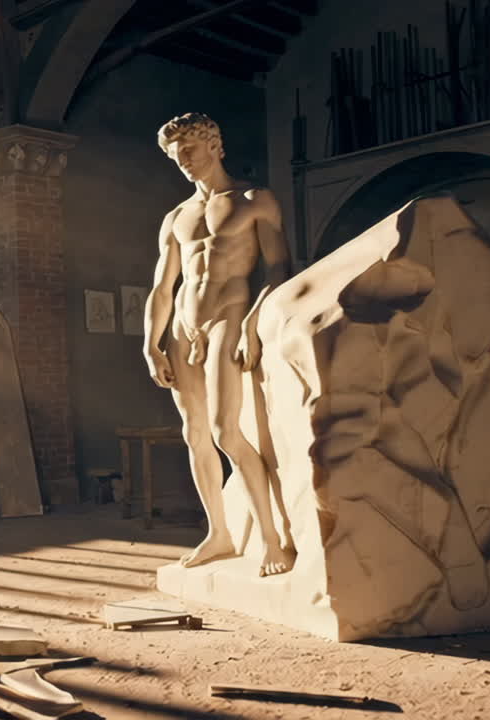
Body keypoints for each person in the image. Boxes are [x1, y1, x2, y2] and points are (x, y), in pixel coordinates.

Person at [142, 113, 295, 575]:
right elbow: (162, 288)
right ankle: (219, 534)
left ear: (214, 144)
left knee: (226, 431)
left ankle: (271, 540)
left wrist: (253, 321)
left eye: (189, 150)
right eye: (176, 156)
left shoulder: (254, 199)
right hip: (183, 326)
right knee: (195, 434)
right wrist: (151, 343)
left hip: (229, 316)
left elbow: (279, 268)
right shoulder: (176, 218)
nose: (183, 161)